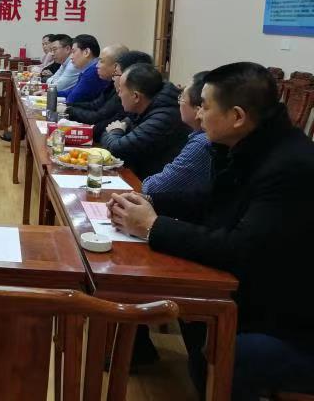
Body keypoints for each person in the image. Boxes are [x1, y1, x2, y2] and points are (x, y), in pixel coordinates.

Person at [107, 63, 314, 399]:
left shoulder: (289, 167)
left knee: (222, 351)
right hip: (264, 290)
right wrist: (150, 207)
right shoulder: (248, 146)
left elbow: (241, 250)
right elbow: (215, 210)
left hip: (292, 321)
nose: (198, 114)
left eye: (204, 105)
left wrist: (153, 226)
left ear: (237, 116)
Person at [100, 63, 190, 180]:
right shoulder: (144, 106)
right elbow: (108, 132)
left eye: (121, 90)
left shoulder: (163, 117)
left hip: (154, 185)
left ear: (136, 96)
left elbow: (116, 150)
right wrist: (114, 132)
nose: (119, 94)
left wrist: (115, 131)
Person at [142, 71, 212, 195]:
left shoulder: (202, 143)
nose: (178, 103)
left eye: (182, 98)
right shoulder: (197, 135)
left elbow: (154, 187)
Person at [67, 44, 128, 140]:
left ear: (116, 66)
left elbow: (97, 117)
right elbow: (95, 105)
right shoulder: (111, 84)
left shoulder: (122, 92)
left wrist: (68, 110)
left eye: (101, 61)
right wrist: (67, 107)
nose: (97, 65)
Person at [58, 34, 110, 104]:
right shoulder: (89, 69)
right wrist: (50, 93)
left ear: (86, 52)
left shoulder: (93, 72)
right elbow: (71, 91)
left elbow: (71, 100)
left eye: (73, 52)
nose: (71, 57)